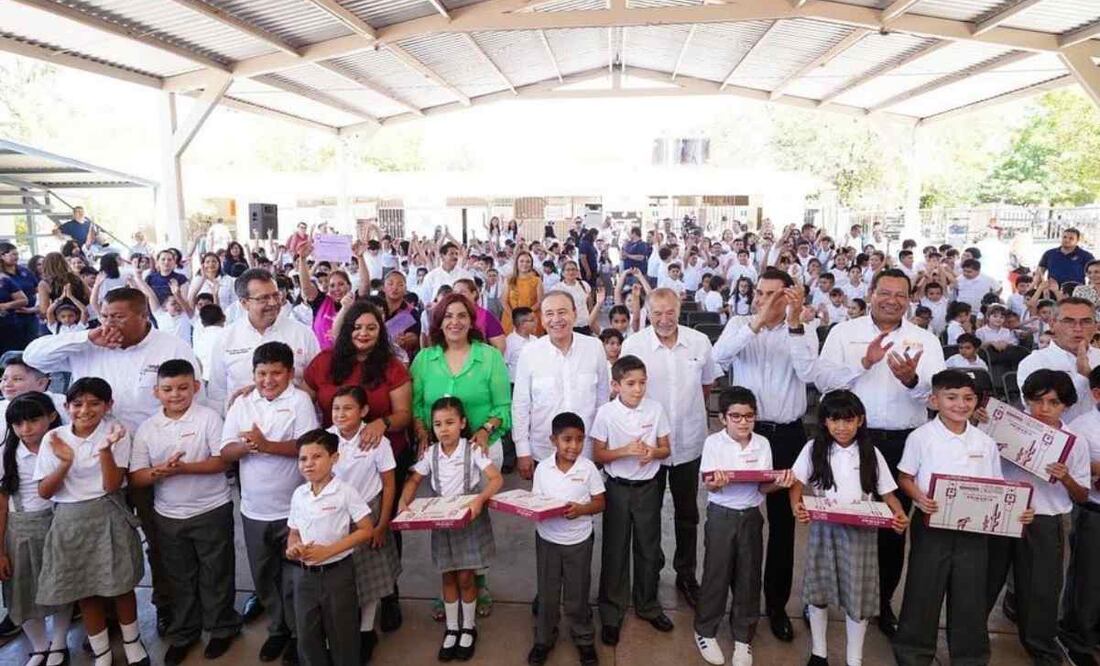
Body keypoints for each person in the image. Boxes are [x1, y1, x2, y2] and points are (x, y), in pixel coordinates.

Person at [23, 287, 201, 631]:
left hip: (152, 462)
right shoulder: (87, 342)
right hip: (94, 467)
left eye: (118, 317)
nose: (109, 324)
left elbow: (193, 396)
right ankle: (104, 618)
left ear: (142, 316)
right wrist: (87, 335)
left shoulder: (170, 346)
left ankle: (168, 604)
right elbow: (34, 356)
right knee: (99, 544)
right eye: (104, 316)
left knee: (160, 539)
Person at [815, 269, 946, 637]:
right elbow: (823, 382)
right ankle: (823, 602)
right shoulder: (844, 333)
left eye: (900, 295)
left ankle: (882, 603)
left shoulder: (924, 339)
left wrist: (911, 380)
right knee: (841, 519)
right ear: (870, 292)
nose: (892, 300)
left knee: (893, 526)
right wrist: (864, 362)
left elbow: (936, 394)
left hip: (905, 442)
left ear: (910, 299)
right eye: (884, 292)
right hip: (850, 440)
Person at [892, 370, 1030, 665]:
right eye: (951, 397)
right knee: (923, 589)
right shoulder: (922, 437)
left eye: (968, 398)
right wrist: (919, 498)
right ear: (934, 400)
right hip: (932, 525)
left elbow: (997, 487)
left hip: (975, 530)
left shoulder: (984, 442)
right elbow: (905, 477)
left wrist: (1017, 510)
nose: (960, 404)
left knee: (970, 594)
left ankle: (970, 656)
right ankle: (913, 653)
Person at [713, 270, 817, 640]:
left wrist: (793, 323)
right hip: (744, 434)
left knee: (783, 524)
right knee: (736, 517)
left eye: (774, 294)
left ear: (790, 297)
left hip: (787, 436)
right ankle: (738, 604)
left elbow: (809, 373)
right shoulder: (741, 324)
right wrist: (756, 322)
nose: (764, 300)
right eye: (760, 293)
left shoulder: (803, 328)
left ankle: (775, 605)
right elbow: (718, 359)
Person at [128, 360, 239, 664]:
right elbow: (137, 476)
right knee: (179, 577)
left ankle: (221, 629)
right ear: (156, 392)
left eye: (182, 388)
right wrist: (159, 472)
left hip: (211, 508)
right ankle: (184, 633)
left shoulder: (209, 419)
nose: (175, 395)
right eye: (167, 389)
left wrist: (185, 468)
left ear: (196, 387)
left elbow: (223, 462)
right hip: (168, 515)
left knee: (216, 572)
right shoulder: (148, 429)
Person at [33, 378, 149, 666]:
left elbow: (111, 485)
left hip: (108, 514)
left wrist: (106, 450)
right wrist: (64, 463)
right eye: (77, 404)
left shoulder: (117, 432)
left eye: (95, 403)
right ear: (66, 406)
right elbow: (45, 492)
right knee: (85, 589)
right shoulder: (54, 438)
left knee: (121, 584)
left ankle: (133, 644)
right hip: (69, 521)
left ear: (109, 406)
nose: (85, 410)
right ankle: (102, 653)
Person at [218, 341, 320, 664]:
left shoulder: (300, 401)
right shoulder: (243, 403)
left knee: (295, 575)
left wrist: (266, 445)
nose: (268, 380)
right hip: (253, 508)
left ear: (290, 373)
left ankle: (299, 634)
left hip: (293, 507)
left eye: (276, 373)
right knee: (264, 574)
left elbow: (307, 447)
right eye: (262, 373)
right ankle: (278, 630)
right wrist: (247, 448)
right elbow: (225, 451)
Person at [790, 390, 908, 666]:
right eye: (834, 420)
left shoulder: (871, 452)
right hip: (824, 528)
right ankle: (819, 653)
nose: (841, 427)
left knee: (859, 596)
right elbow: (796, 482)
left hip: (862, 532)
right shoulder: (813, 449)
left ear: (861, 421)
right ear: (825, 422)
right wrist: (797, 506)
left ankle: (854, 658)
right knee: (819, 592)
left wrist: (899, 513)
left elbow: (888, 493)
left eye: (848, 420)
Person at [620, 288, 721, 609]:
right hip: (647, 447)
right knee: (647, 517)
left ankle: (686, 574)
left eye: (670, 313)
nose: (664, 320)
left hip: (688, 442)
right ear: (648, 312)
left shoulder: (698, 342)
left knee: (688, 513)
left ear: (680, 310)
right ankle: (647, 578)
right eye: (657, 313)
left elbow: (707, 385)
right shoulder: (634, 345)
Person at [986, 369, 1090, 665]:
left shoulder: (1074, 442)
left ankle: (1041, 647)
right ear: (1026, 400)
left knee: (1041, 588)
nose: (1044, 409)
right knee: (985, 579)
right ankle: (969, 638)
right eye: (1037, 401)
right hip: (1003, 512)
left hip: (1045, 518)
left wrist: (1066, 477)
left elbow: (1082, 495)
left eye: (1053, 403)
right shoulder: (1008, 428)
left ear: (1066, 405)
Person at [693, 387, 796, 666]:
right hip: (722, 515)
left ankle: (742, 637)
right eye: (735, 416)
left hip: (751, 514)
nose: (742, 422)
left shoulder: (762, 443)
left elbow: (764, 484)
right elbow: (708, 482)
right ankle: (705, 630)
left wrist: (780, 482)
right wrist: (717, 481)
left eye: (748, 416)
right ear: (722, 418)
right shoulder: (714, 443)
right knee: (716, 573)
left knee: (749, 576)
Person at [398, 396, 503, 662]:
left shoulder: (473, 450)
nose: (443, 429)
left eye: (450, 422)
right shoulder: (430, 454)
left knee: (466, 577)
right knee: (447, 576)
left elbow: (496, 479)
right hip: (442, 523)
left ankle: (468, 627)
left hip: (468, 520)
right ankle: (452, 628)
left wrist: (479, 500)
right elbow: (414, 479)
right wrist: (403, 501)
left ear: (463, 423)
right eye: (437, 424)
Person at [591, 354, 673, 646]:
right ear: (615, 385)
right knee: (615, 549)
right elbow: (598, 455)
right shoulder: (606, 414)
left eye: (642, 382)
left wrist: (653, 452)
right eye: (630, 383)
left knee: (649, 548)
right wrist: (624, 450)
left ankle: (648, 604)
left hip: (648, 487)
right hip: (617, 488)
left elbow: (666, 449)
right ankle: (612, 613)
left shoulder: (656, 409)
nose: (638, 389)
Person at [286, 429, 375, 666]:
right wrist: (293, 548)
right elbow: (294, 532)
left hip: (338, 573)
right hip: (304, 576)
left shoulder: (345, 492)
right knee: (306, 633)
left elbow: (366, 529)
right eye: (303, 459)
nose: (309, 464)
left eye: (317, 457)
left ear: (334, 458)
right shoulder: (299, 494)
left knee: (342, 633)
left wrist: (329, 551)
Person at [327, 386, 400, 662]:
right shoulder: (327, 439)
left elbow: (389, 483)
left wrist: (382, 524)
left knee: (369, 576)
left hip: (369, 512)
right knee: (343, 575)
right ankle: (342, 630)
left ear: (364, 411)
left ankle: (366, 630)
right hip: (335, 515)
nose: (341, 414)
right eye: (336, 408)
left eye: (348, 408)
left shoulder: (377, 440)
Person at [527, 412, 605, 666]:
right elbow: (536, 501)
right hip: (548, 540)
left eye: (580, 440)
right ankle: (544, 639)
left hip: (578, 542)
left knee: (577, 594)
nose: (574, 446)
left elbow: (600, 502)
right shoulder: (543, 470)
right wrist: (533, 510)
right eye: (567, 439)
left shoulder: (588, 468)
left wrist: (581, 510)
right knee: (547, 594)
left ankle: (583, 639)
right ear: (553, 440)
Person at [0, 393, 72, 666]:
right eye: (18, 424)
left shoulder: (61, 446)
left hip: (57, 523)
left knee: (62, 586)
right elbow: (2, 504)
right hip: (19, 529)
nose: (25, 429)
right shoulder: (7, 453)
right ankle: (39, 646)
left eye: (33, 420)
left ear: (51, 417)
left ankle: (60, 643)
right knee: (22, 591)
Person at [512, 291, 609, 476]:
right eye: (549, 313)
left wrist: (601, 444)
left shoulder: (594, 348)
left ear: (574, 313)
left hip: (587, 451)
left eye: (562, 312)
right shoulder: (529, 353)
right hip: (544, 452)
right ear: (541, 319)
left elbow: (602, 400)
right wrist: (522, 450)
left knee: (588, 504)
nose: (556, 319)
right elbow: (521, 405)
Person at [208, 268, 320, 411]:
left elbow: (317, 383)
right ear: (244, 303)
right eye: (264, 298)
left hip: (292, 423)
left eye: (276, 295)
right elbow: (217, 393)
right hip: (243, 425)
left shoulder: (303, 334)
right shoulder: (226, 338)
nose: (273, 303)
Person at [1059, 365, 1100, 666]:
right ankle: (1076, 637)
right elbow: (1081, 473)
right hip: (1093, 511)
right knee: (1088, 580)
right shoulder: (1083, 428)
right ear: (1097, 393)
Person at [1016, 297, 1100, 423]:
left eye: (1086, 321)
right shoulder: (1034, 362)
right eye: (1068, 321)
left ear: (1096, 326)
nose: (1078, 328)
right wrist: (1083, 377)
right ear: (1052, 323)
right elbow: (1038, 413)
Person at [0, 242, 38, 354]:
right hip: (12, 318)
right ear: (2, 255)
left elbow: (37, 290)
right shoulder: (3, 276)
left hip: (30, 315)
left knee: (31, 346)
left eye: (17, 254)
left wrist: (35, 308)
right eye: (12, 254)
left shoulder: (24, 271)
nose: (16, 257)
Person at [503, 306, 536, 381]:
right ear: (522, 324)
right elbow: (504, 364)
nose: (536, 322)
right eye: (532, 320)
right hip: (515, 383)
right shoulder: (509, 342)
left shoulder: (535, 339)